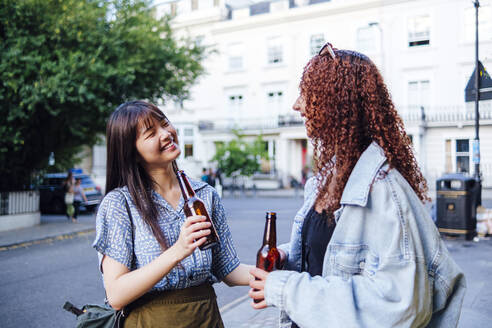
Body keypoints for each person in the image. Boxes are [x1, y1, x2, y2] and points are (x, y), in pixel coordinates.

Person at [248, 44, 466, 327]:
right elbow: (332, 254)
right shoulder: (326, 179)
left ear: (337, 100)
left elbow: (398, 304)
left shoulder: (384, 189)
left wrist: (286, 289)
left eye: (308, 92)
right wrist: (288, 256)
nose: (297, 104)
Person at [93, 100, 251, 327]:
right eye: (150, 133)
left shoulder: (205, 194)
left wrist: (280, 275)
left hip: (207, 318)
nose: (166, 134)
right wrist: (178, 251)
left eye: (165, 124)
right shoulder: (120, 204)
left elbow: (229, 270)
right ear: (132, 152)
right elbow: (116, 295)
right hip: (150, 321)